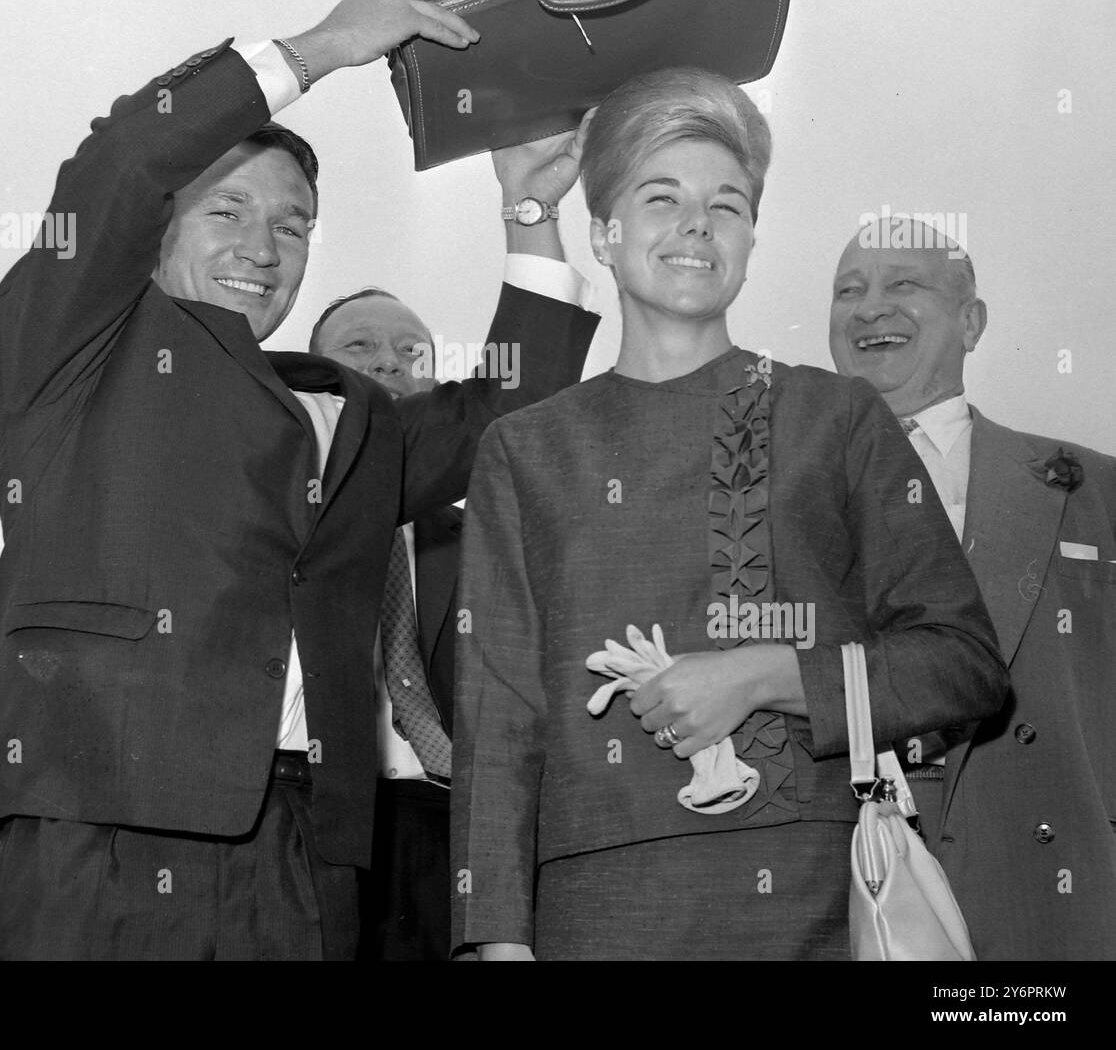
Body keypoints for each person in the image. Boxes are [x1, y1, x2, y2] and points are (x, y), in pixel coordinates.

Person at [0, 0, 600, 961]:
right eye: (227, 211)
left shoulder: (348, 412)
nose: (263, 246)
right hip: (104, 831)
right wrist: (327, 47)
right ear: (158, 232)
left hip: (309, 856)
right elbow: (119, 160)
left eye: (292, 224)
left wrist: (529, 209)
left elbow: (514, 409)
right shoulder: (70, 348)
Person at [450, 67, 1009, 961]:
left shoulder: (837, 417)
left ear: (750, 237)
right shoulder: (524, 449)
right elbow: (499, 721)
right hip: (594, 915)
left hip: (813, 900)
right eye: (661, 197)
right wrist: (495, 941)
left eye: (729, 204)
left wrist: (764, 672)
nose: (697, 225)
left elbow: (963, 666)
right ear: (604, 230)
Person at [309, 128, 594, 961]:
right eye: (357, 349)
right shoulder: (283, 495)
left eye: (410, 353)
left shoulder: (500, 544)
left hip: (462, 843)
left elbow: (519, 396)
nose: (389, 365)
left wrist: (530, 207)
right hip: (328, 836)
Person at [829, 218, 1116, 961]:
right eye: (848, 290)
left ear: (972, 321)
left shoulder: (1095, 488)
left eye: (903, 283)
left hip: (1052, 902)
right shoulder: (777, 493)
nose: (869, 308)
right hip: (850, 899)